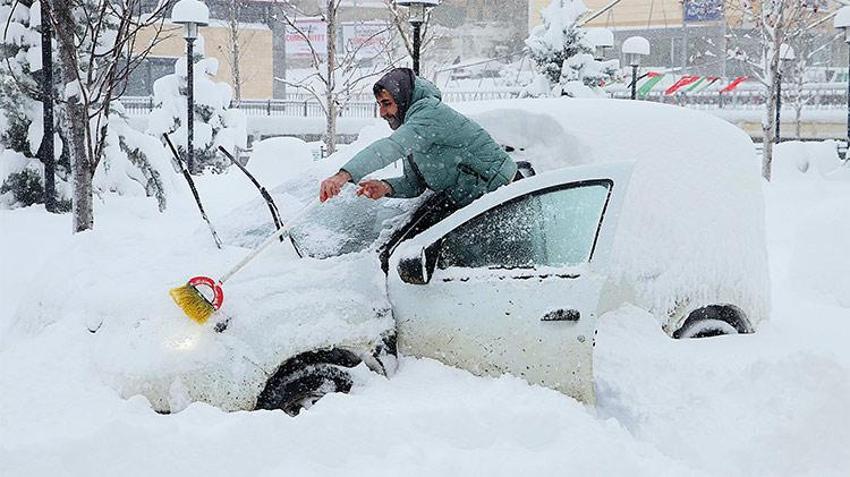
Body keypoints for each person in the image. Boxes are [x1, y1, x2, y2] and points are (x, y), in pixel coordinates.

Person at [319, 68, 517, 212]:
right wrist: (386, 187)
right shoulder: (412, 125)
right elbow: (415, 184)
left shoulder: (429, 113)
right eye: (379, 105)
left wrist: (342, 176)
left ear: (403, 97)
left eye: (387, 104)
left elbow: (392, 147)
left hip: (503, 193)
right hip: (472, 198)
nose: (382, 113)